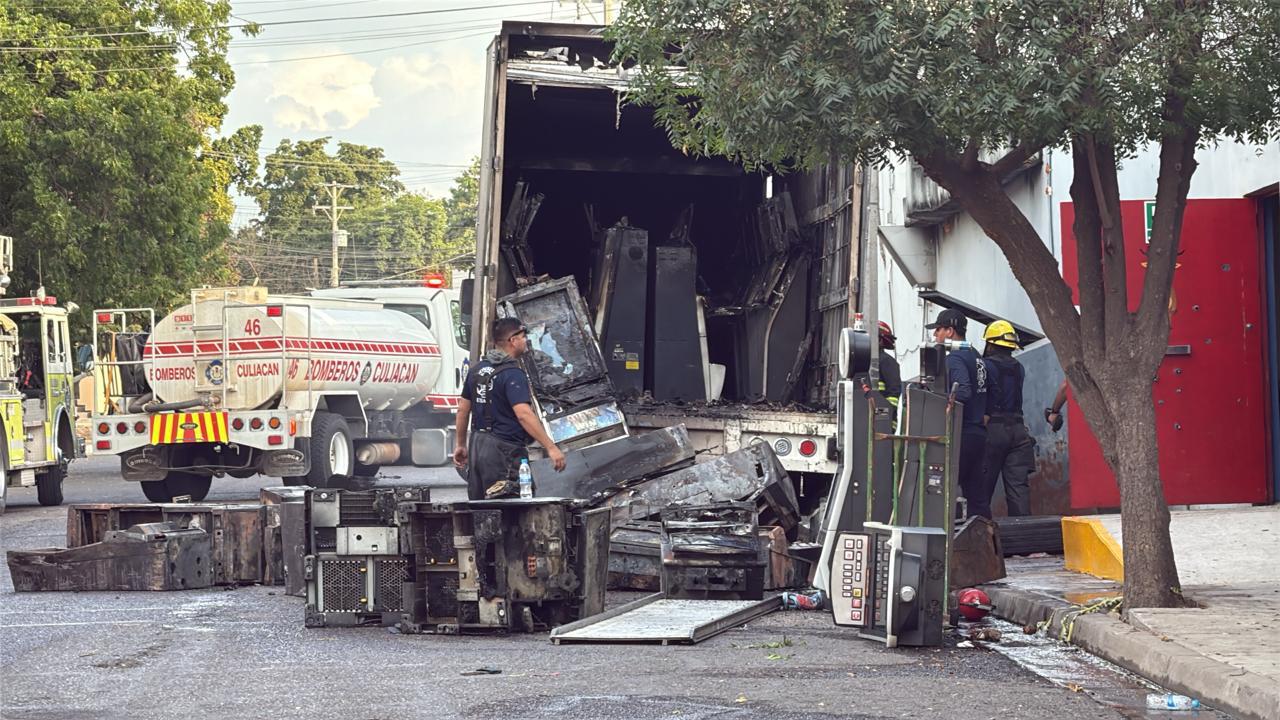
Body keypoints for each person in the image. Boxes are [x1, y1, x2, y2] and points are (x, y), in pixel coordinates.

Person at [453, 317, 566, 500]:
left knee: (481, 508)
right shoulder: (513, 374)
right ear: (513, 340)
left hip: (477, 448)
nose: (526, 341)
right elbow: (523, 414)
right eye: (523, 336)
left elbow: (462, 410)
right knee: (511, 508)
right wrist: (551, 447)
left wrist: (460, 445)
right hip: (504, 452)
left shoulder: (476, 371)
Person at [925, 308, 990, 518]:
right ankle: (984, 535)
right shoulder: (976, 356)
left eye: (938, 330)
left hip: (961, 434)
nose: (935, 335)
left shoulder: (954, 358)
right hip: (978, 434)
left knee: (944, 489)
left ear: (950, 331)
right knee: (977, 496)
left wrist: (938, 401)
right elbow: (991, 391)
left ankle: (947, 536)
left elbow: (963, 391)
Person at [980, 320, 1037, 517]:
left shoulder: (985, 367)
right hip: (1018, 431)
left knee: (982, 488)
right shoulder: (1019, 368)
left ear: (989, 344)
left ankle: (979, 530)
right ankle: (1024, 531)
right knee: (1018, 489)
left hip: (992, 430)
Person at [876, 321, 902, 407]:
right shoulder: (864, 360)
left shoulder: (887, 361)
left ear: (879, 340)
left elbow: (893, 394)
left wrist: (884, 412)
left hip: (881, 412)